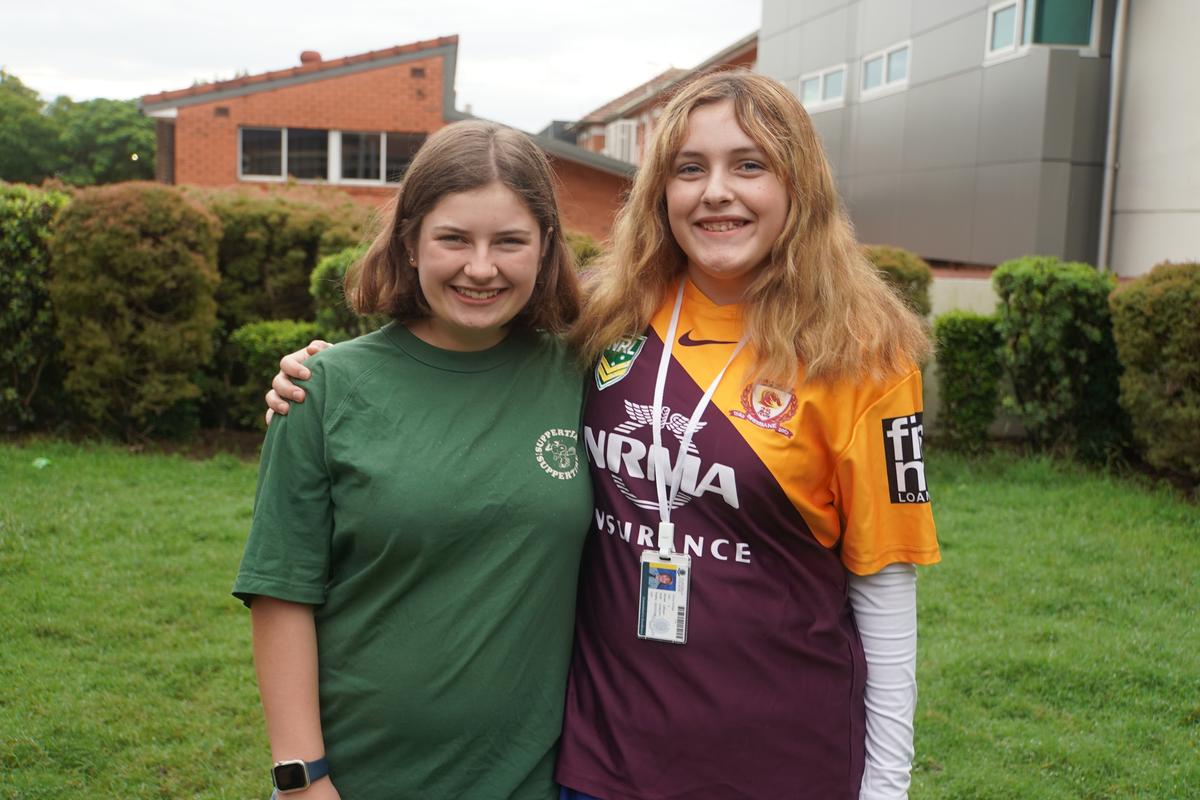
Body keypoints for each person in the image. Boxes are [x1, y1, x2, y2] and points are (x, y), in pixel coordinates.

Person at [268, 69, 939, 800]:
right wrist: (327, 380)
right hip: (602, 762)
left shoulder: (868, 358)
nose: (716, 192)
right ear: (659, 190)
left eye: (750, 165)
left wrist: (888, 786)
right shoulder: (607, 319)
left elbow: (886, 585)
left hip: (780, 757)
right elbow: (460, 359)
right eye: (690, 168)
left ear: (800, 185)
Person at [234, 119, 592, 800]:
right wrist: (303, 779)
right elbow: (281, 592)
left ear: (546, 247)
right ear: (409, 241)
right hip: (358, 777)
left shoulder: (586, 376)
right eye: (453, 238)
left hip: (535, 780)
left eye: (509, 241)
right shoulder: (323, 388)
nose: (480, 268)